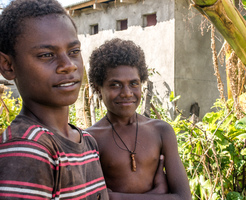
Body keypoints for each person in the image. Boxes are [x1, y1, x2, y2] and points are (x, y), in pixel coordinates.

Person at [0, 0, 109, 199]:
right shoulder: (28, 148)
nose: (68, 65)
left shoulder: (87, 142)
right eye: (47, 55)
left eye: (74, 52)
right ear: (8, 65)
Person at [86, 38, 192, 200]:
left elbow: (183, 197)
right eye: (115, 84)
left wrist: (116, 197)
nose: (127, 93)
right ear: (98, 89)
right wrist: (158, 194)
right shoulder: (90, 139)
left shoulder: (161, 131)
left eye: (134, 83)